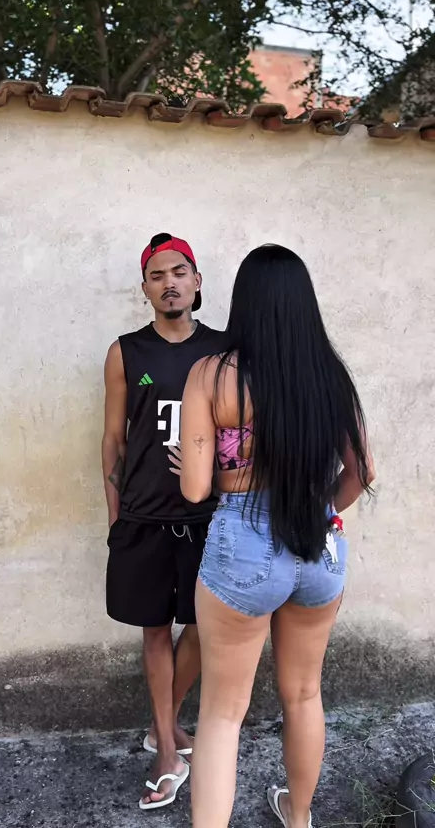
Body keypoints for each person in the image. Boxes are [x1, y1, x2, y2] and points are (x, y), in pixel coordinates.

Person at [172, 244, 375, 828]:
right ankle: (299, 814)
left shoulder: (211, 374)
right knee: (305, 694)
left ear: (245, 303)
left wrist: (202, 464)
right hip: (318, 539)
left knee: (221, 714)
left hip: (243, 540)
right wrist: (321, 508)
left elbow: (194, 489)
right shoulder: (329, 375)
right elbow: (363, 471)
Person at [102, 232, 225, 811]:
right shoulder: (126, 352)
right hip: (145, 517)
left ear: (197, 281)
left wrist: (215, 468)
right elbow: (113, 440)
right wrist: (116, 516)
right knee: (154, 630)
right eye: (157, 276)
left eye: (179, 273)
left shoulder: (227, 349)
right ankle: (168, 752)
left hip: (210, 517)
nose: (169, 283)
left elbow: (246, 430)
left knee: (202, 627)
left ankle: (164, 724)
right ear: (145, 288)